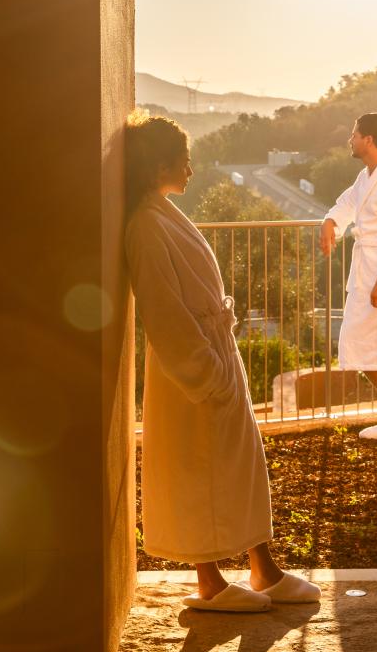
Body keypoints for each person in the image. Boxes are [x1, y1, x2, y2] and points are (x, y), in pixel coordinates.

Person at [125, 110, 321, 613]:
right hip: (191, 370)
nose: (190, 171)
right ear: (157, 167)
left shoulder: (162, 212)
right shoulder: (146, 226)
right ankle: (209, 580)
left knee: (240, 464)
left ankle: (263, 567)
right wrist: (204, 373)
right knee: (197, 470)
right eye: (184, 162)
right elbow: (163, 310)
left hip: (214, 355)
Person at [319, 113, 377, 444]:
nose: (351, 139)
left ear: (368, 139)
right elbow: (347, 203)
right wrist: (331, 221)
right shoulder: (366, 176)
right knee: (374, 343)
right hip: (367, 269)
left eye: (354, 134)